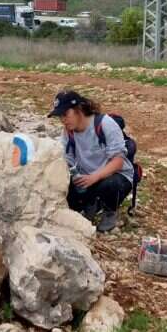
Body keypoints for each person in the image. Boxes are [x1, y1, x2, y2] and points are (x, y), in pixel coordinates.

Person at [48, 90, 134, 233]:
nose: (63, 120)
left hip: (113, 175)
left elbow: (118, 162)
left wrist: (94, 177)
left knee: (110, 185)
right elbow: (65, 157)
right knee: (68, 196)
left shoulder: (105, 124)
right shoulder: (68, 131)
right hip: (87, 178)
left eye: (65, 114)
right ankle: (92, 203)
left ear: (79, 109)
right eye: (60, 116)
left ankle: (110, 211)